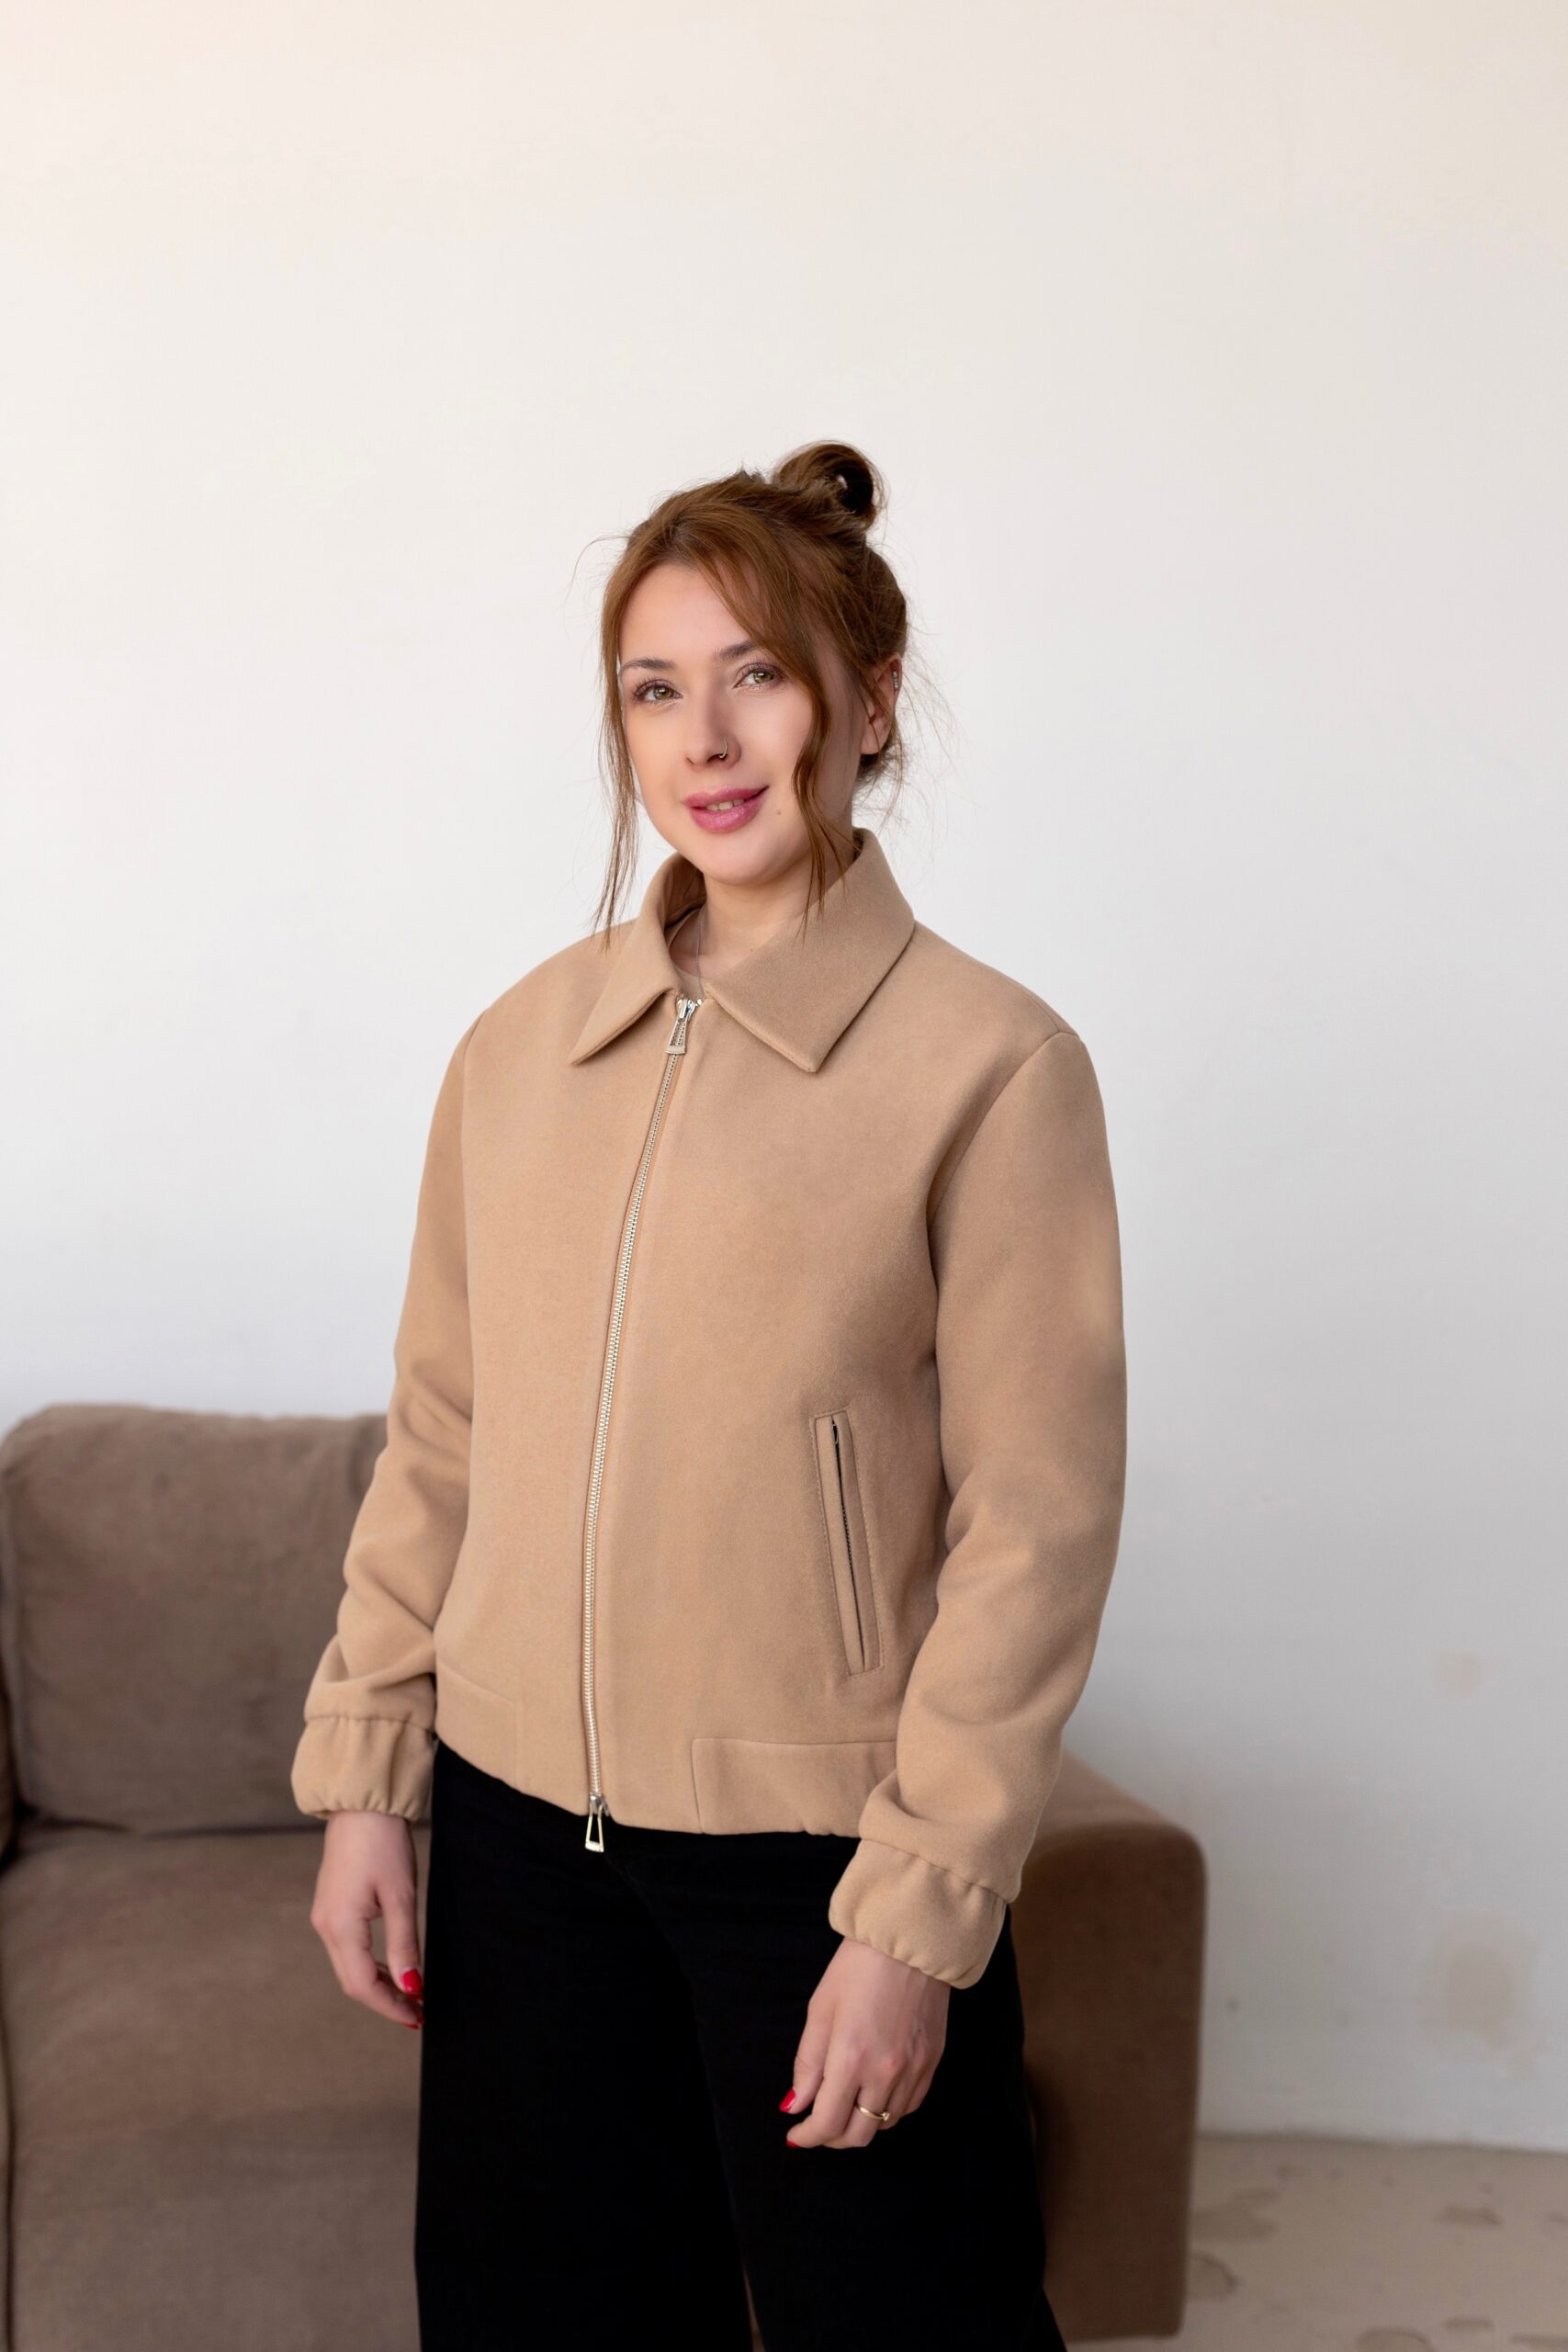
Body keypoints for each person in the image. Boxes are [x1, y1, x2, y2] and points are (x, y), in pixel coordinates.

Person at [292, 439, 1128, 2352]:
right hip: (520, 1845)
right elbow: (442, 1435)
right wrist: (368, 1774)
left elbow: (1034, 1525)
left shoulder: (991, 1067)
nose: (707, 736)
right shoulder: (520, 1050)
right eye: (656, 686)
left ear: (867, 700)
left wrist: (916, 1912)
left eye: (757, 673)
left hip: (816, 1861)